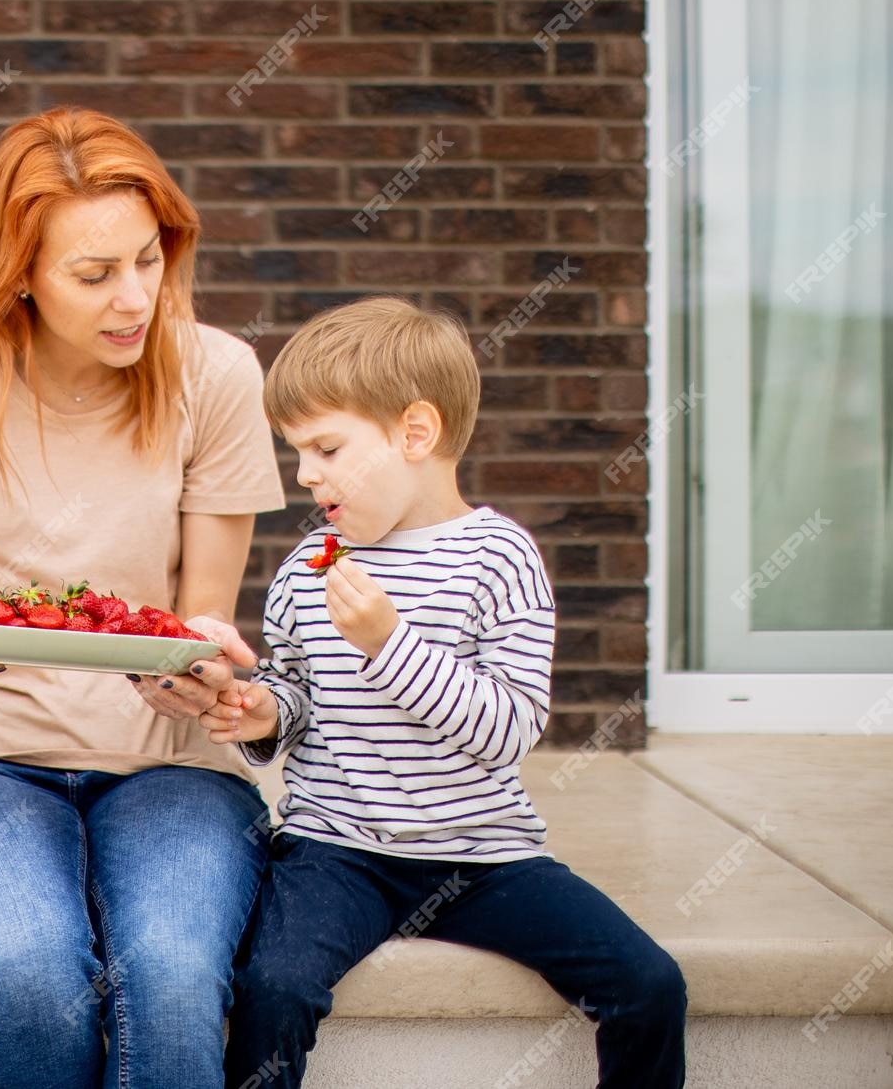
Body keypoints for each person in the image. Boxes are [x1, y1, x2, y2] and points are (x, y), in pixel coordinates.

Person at [0, 106, 290, 1087]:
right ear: (19, 273)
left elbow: (202, 629)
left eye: (147, 259)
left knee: (174, 981)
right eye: (92, 276)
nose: (132, 298)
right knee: (31, 972)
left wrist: (207, 678)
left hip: (173, 762)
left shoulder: (215, 373)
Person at [197, 295, 688, 1088]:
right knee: (270, 987)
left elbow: (507, 729)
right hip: (336, 851)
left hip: (483, 856)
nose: (304, 473)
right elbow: (293, 695)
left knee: (650, 985)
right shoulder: (309, 565)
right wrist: (261, 713)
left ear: (414, 433)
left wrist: (391, 645)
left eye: (325, 446)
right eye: (297, 451)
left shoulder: (499, 558)